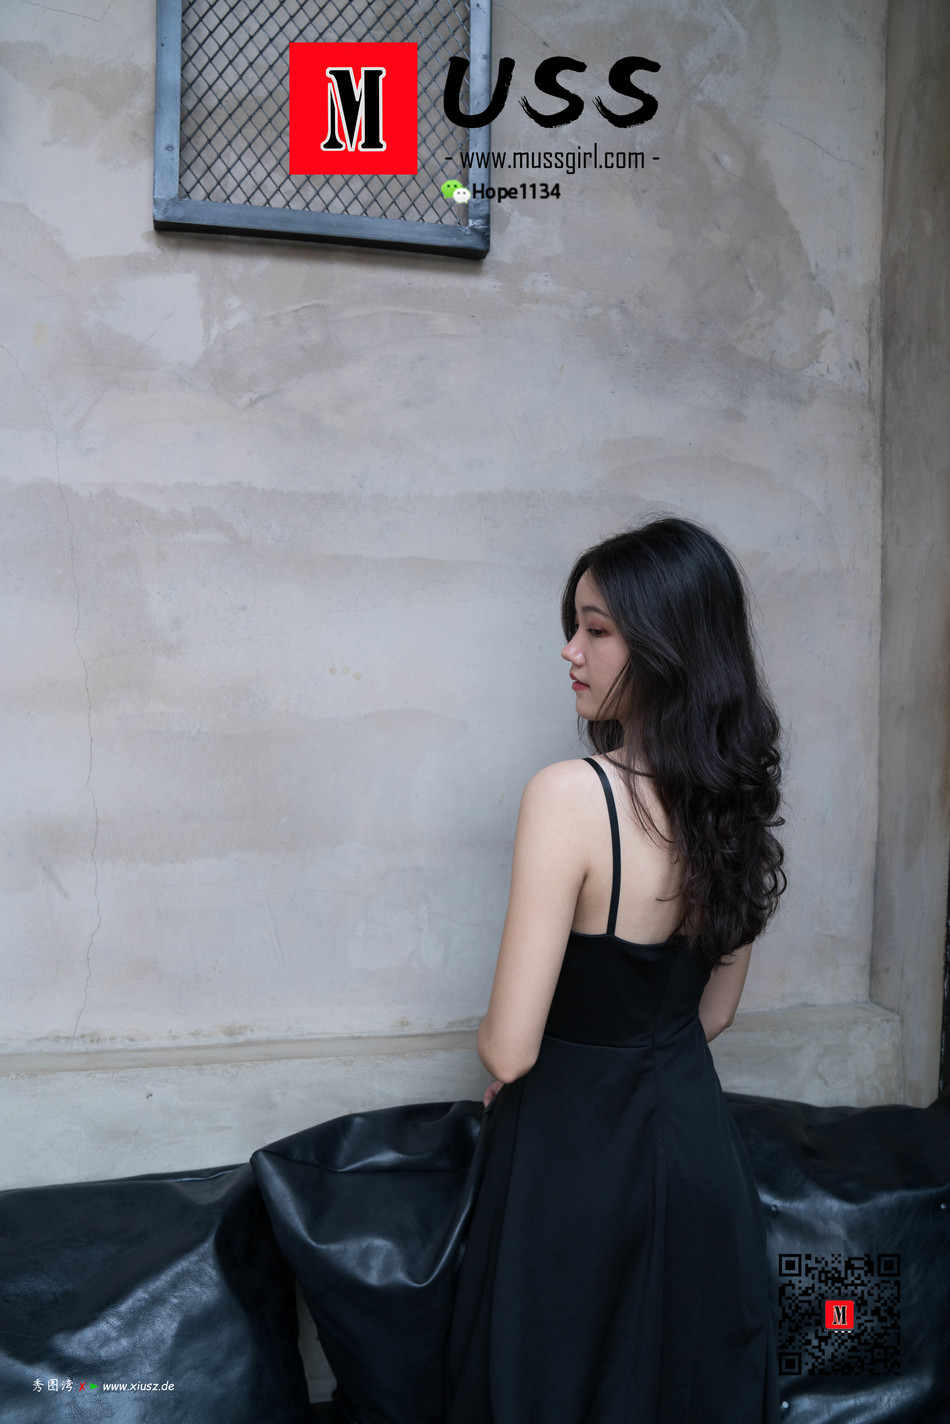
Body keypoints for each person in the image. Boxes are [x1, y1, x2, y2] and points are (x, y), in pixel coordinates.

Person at [443, 515, 787, 1424]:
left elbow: (510, 1051)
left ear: (669, 647)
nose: (570, 650)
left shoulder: (572, 793)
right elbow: (713, 1015)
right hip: (697, 1155)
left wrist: (501, 1051)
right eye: (575, 625)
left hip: (575, 1160)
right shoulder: (734, 801)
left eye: (596, 629)